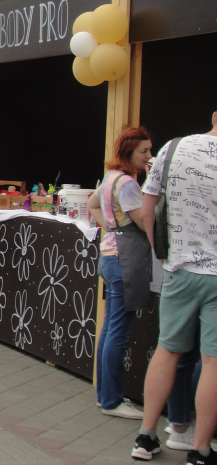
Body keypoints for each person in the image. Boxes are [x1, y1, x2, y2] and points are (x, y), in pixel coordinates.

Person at [131, 112, 217, 465]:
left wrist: (162, 253)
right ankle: (200, 453)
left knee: (167, 350)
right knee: (213, 362)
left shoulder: (173, 148)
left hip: (178, 269)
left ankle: (146, 436)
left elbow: (148, 211)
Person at [86, 127, 153, 420]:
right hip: (124, 259)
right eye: (144, 151)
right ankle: (111, 399)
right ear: (130, 153)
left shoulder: (112, 176)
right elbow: (143, 221)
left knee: (110, 330)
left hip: (110, 254)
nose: (149, 156)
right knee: (118, 332)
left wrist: (111, 227)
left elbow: (92, 203)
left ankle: (106, 396)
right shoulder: (126, 183)